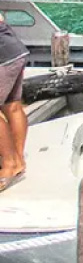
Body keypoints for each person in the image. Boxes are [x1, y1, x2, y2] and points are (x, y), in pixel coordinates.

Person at [0, 12, 29, 192]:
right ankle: (18, 160)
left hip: (2, 57)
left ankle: (9, 164)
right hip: (15, 51)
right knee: (12, 106)